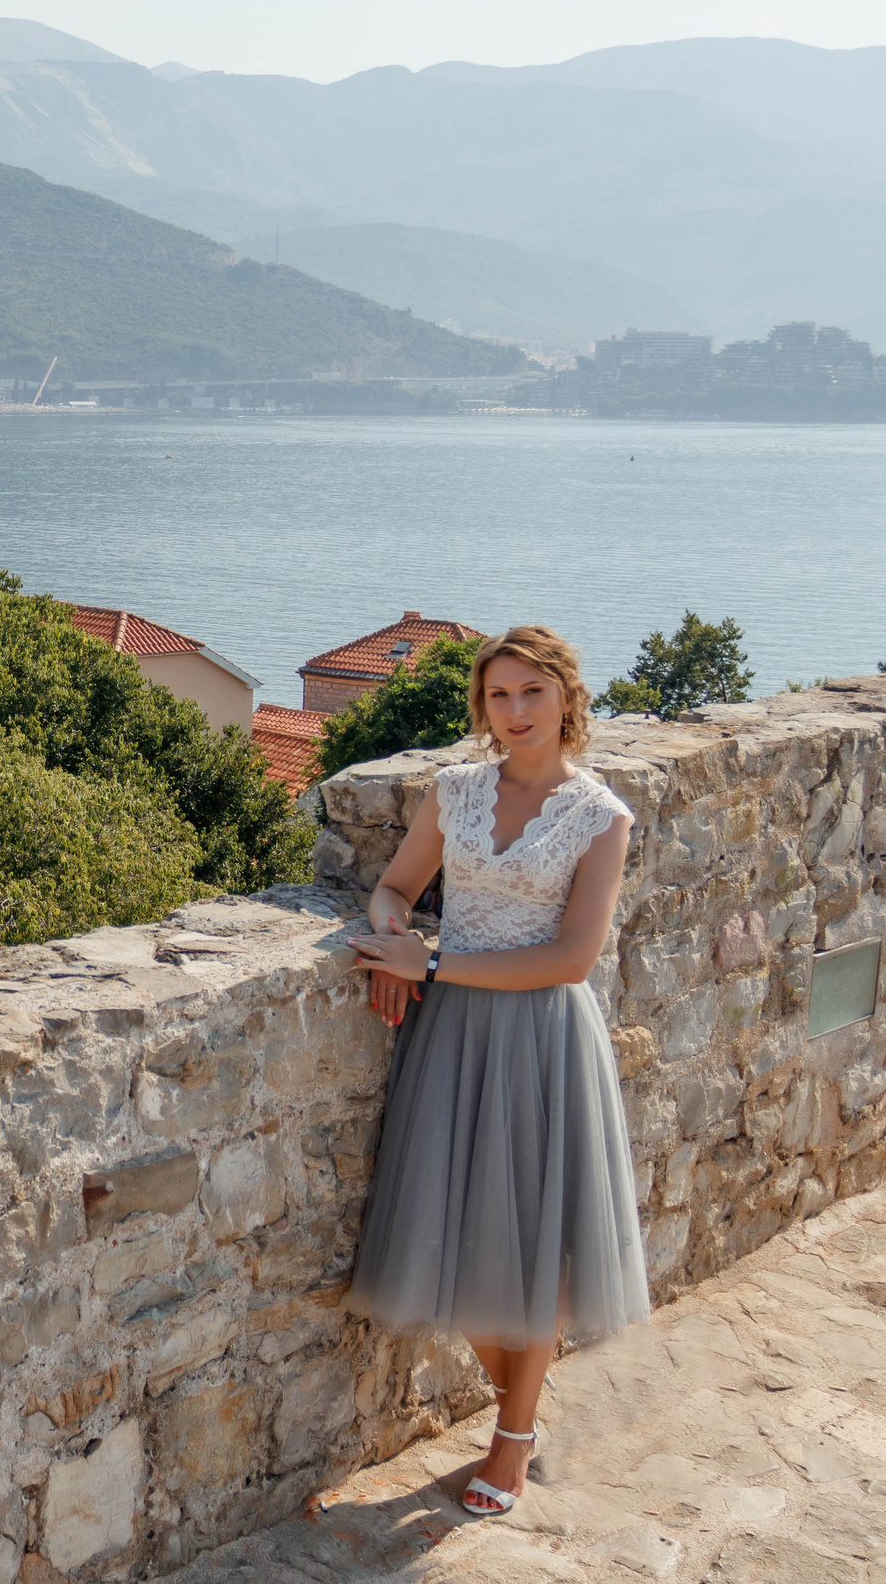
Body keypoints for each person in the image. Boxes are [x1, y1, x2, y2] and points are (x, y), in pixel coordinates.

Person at [343, 625, 652, 1517]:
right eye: (497, 697)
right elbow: (398, 885)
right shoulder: (457, 792)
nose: (514, 713)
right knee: (453, 1236)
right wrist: (396, 930)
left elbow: (571, 958)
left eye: (531, 693)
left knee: (530, 1250)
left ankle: (512, 1438)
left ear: (566, 698)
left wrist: (431, 968)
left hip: (544, 1037)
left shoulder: (600, 816)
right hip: (455, 1036)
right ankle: (526, 1408)